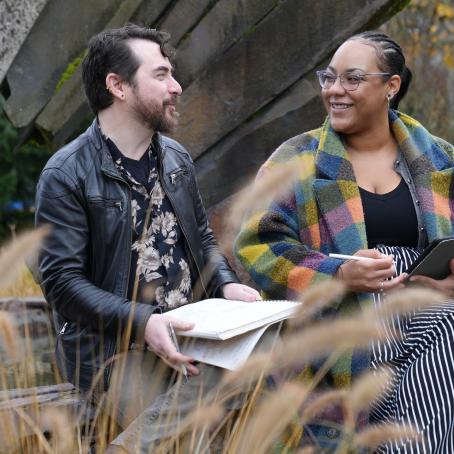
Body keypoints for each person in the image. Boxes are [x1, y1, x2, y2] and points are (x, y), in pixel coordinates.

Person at [35, 24, 261, 452]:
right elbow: (62, 284)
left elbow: (202, 242)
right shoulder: (66, 174)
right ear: (117, 86)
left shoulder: (176, 157)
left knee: (262, 353)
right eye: (161, 75)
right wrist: (143, 321)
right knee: (194, 438)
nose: (176, 86)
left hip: (193, 332)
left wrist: (226, 284)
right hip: (115, 349)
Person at [235, 31, 454, 452]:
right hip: (339, 326)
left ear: (391, 86)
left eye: (352, 79)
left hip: (431, 316)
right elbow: (258, 246)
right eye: (329, 78)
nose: (335, 90)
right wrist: (338, 274)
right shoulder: (296, 159)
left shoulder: (439, 158)